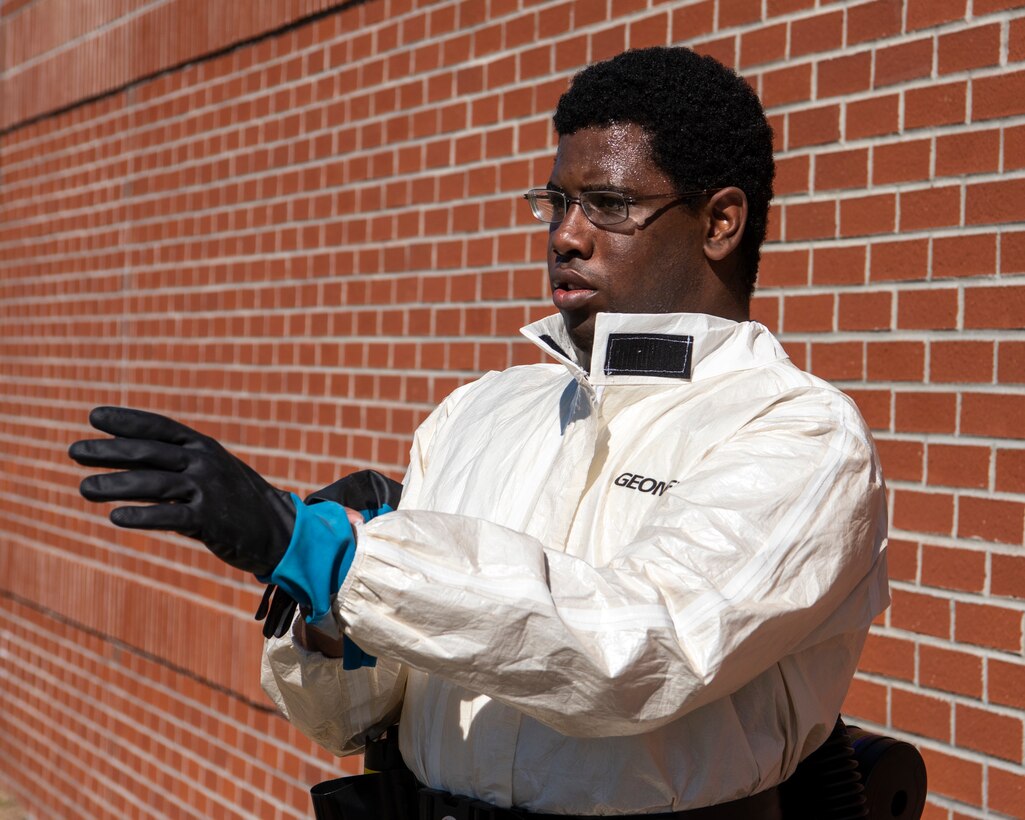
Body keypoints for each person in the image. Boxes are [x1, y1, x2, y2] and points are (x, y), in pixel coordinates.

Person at [70, 46, 888, 818]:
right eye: (558, 201)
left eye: (609, 205)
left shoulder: (797, 432)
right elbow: (348, 717)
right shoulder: (481, 411)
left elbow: (637, 651)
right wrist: (328, 604)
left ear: (719, 223)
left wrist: (331, 551)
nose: (565, 234)